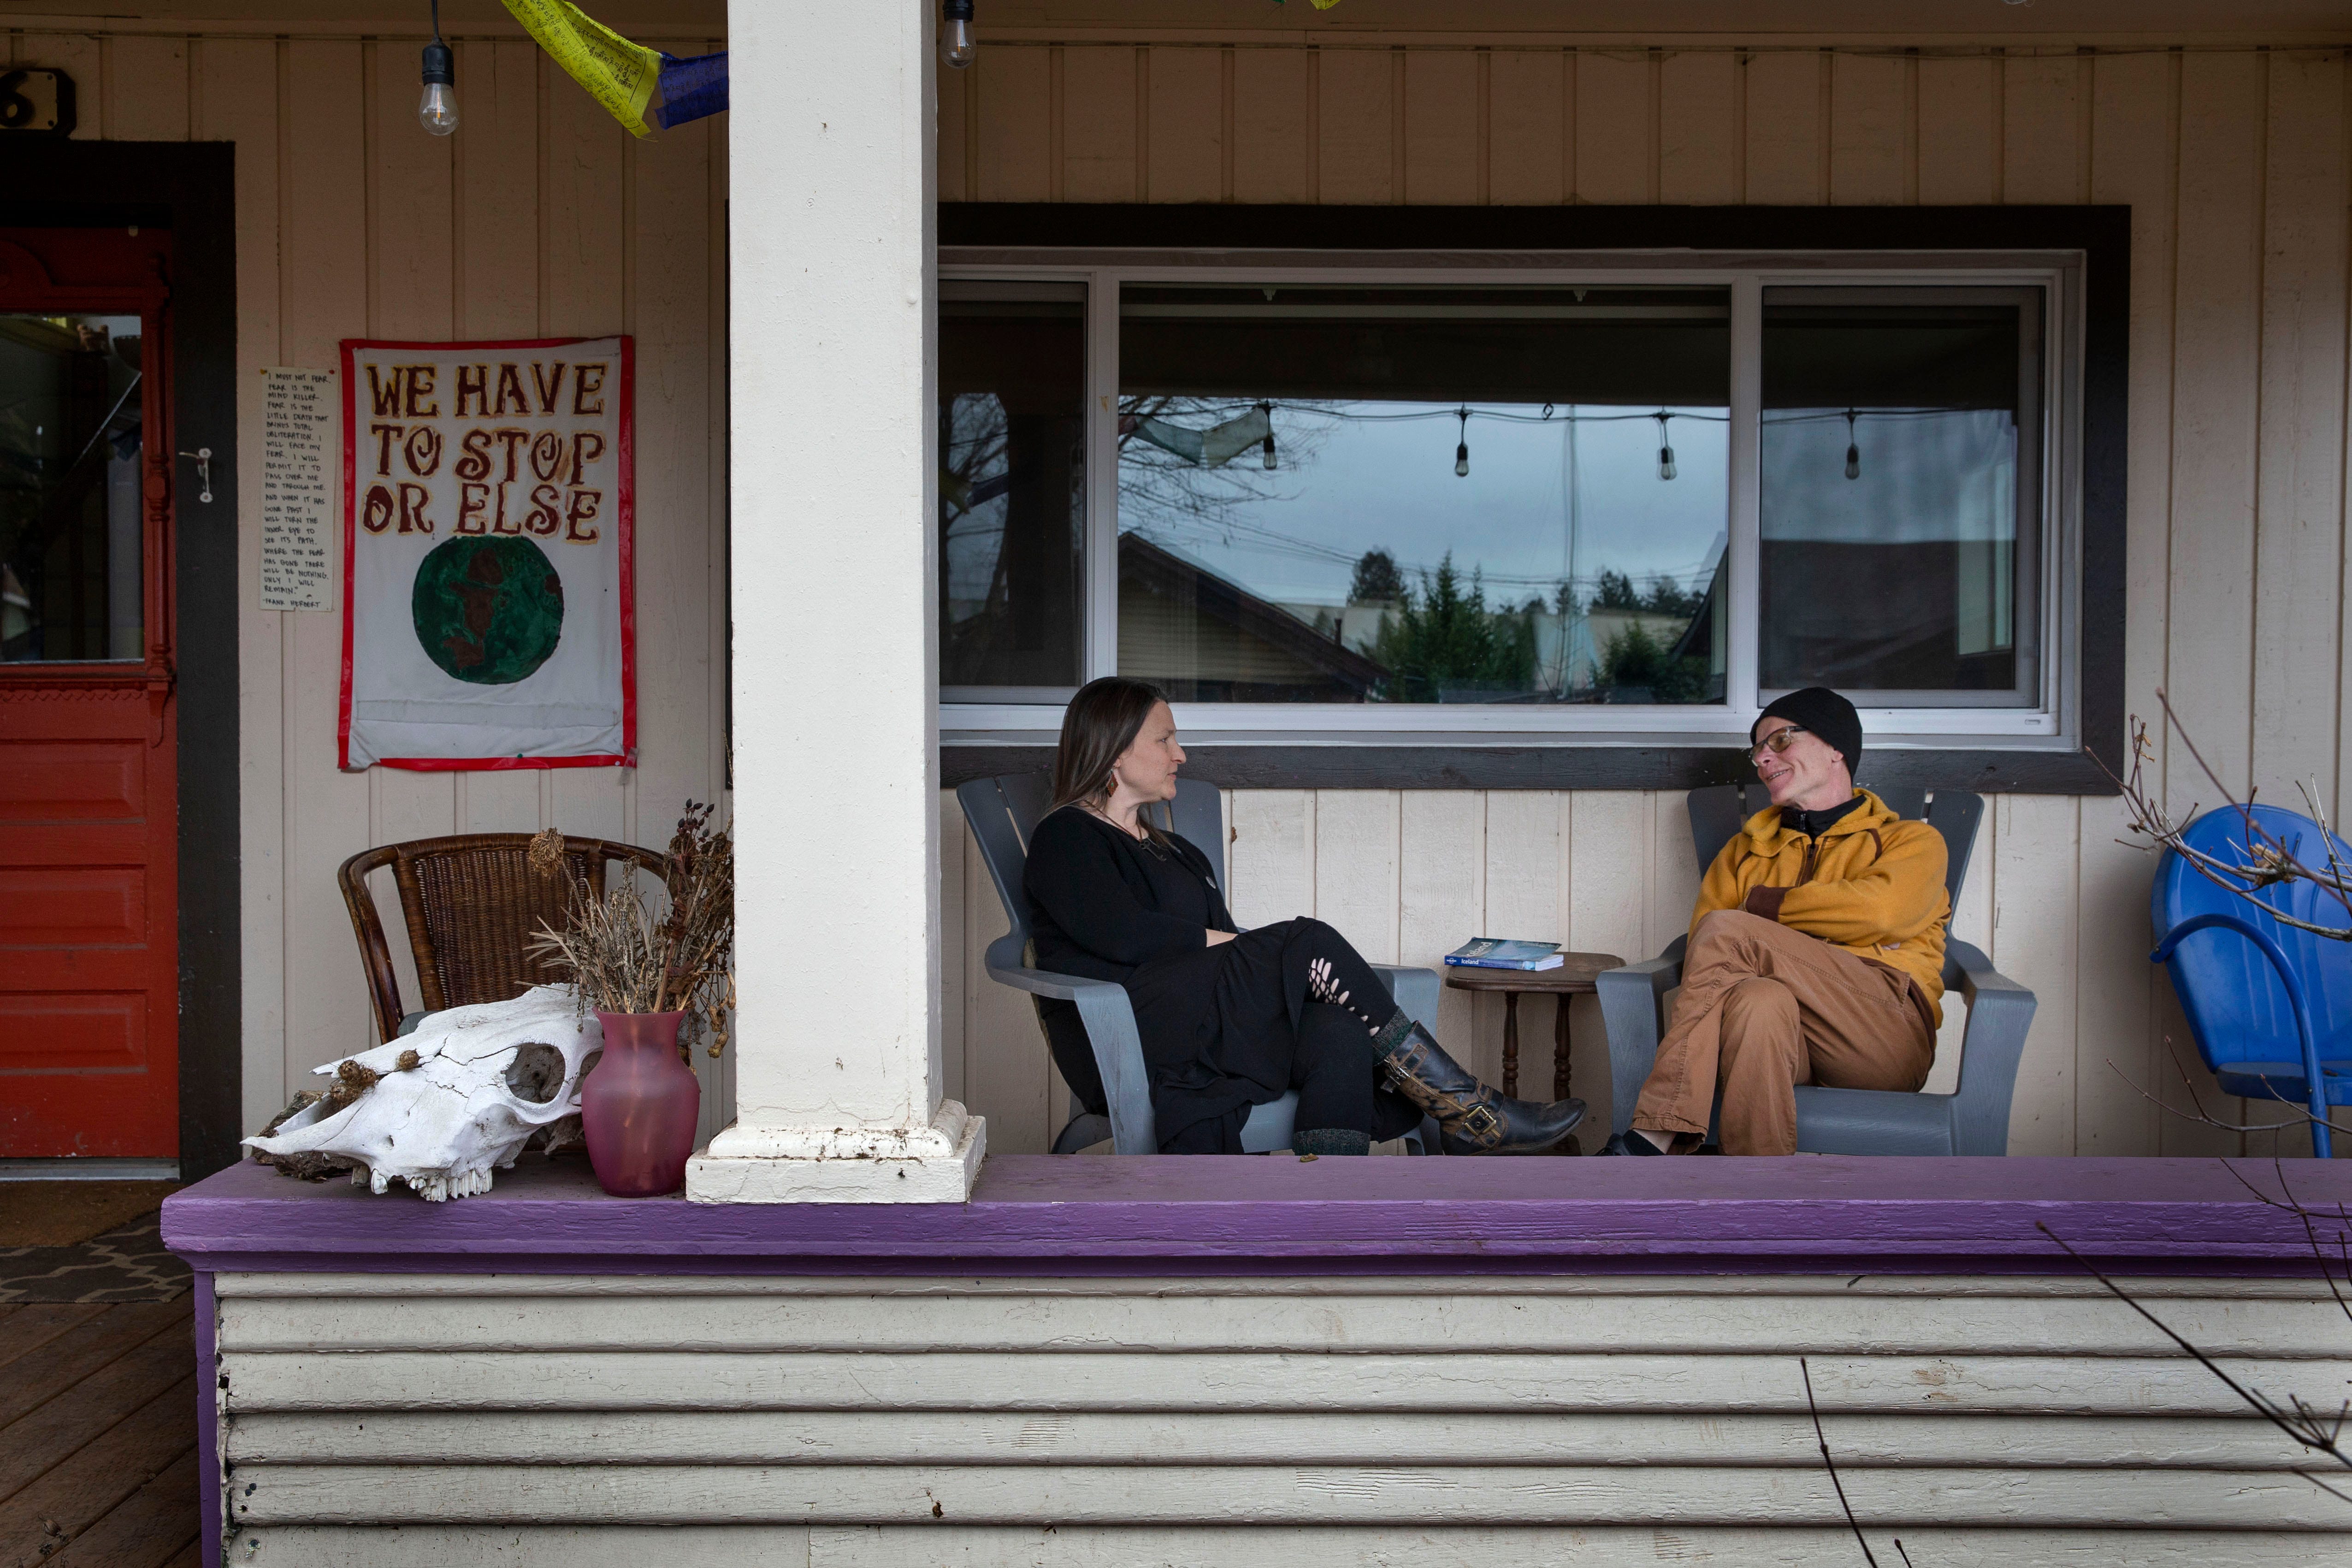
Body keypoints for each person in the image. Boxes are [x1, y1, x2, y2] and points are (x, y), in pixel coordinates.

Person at [1023, 677, 1585, 1157]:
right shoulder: (1066, 836)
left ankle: (1326, 1214)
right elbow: (1123, 933)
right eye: (1165, 738)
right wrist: (1253, 950)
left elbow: (1220, 946)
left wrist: (1254, 957)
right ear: (1117, 750)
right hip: (1124, 1027)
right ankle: (1468, 1109)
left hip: (1199, 1017)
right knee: (1306, 942)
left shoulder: (1173, 849)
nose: (1181, 754)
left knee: (1338, 1032)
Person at [1601, 686, 1948, 1158]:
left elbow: (1883, 911)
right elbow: (1709, 956)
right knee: (1755, 997)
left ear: (1835, 748)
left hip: (1880, 1035)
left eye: (1780, 740)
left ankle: (1657, 1132)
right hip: (1784, 1042)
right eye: (1757, 749)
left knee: (1730, 930)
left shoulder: (1909, 841)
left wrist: (1761, 907)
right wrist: (1837, 931)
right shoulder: (1743, 852)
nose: (1763, 757)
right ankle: (1757, 1198)